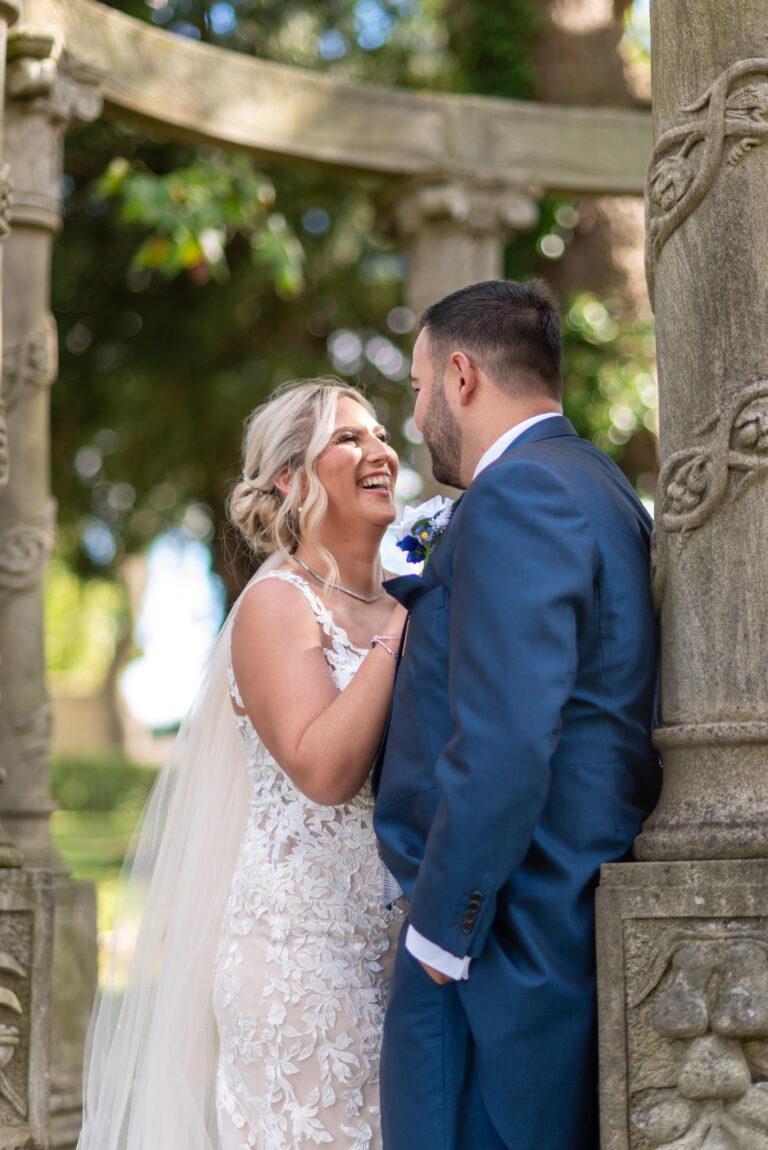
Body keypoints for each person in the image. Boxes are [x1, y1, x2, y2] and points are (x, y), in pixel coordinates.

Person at [78, 379, 408, 1150]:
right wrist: (400, 635)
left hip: (395, 949)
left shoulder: (405, 597)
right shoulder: (278, 605)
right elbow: (321, 771)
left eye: (383, 434)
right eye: (348, 439)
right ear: (291, 481)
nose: (381, 451)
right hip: (300, 964)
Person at [373, 279, 662, 1150]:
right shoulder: (601, 485)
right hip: (547, 935)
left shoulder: (518, 496)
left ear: (461, 376)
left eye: (419, 390)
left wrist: (438, 933)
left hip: (497, 954)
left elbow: (503, 741)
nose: (418, 416)